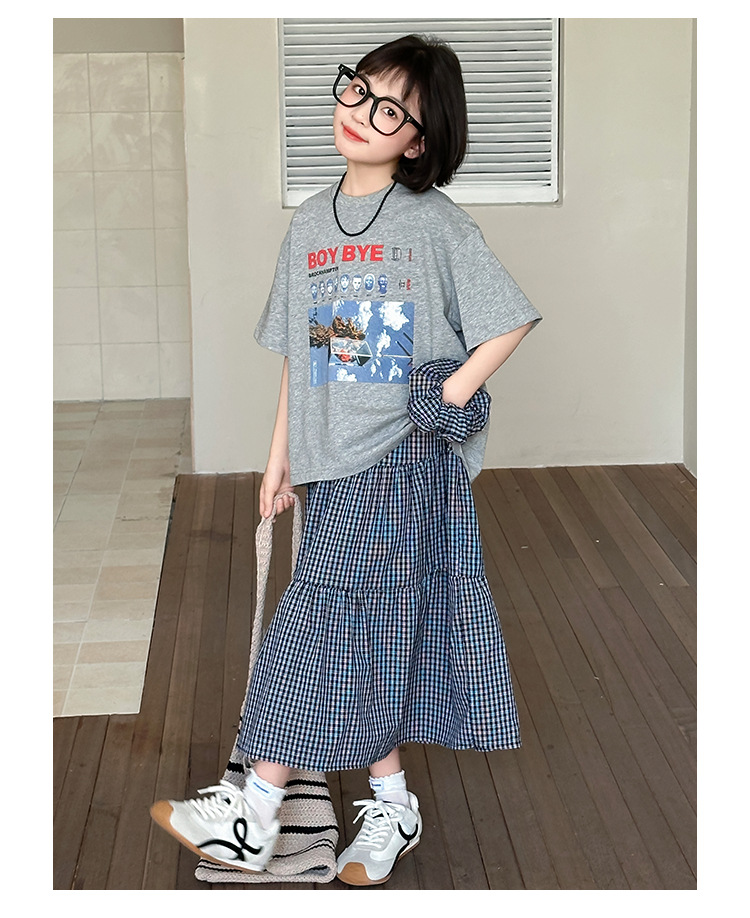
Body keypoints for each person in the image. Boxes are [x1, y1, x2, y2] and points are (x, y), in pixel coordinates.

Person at [150, 33, 542, 887]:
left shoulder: (434, 224)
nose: (362, 113)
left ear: (419, 141)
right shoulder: (309, 224)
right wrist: (280, 457)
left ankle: (253, 808)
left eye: (390, 109)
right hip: (330, 462)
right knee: (368, 627)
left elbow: (507, 317)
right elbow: (309, 353)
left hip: (401, 461)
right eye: (358, 90)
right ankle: (393, 802)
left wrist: (444, 396)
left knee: (322, 613)